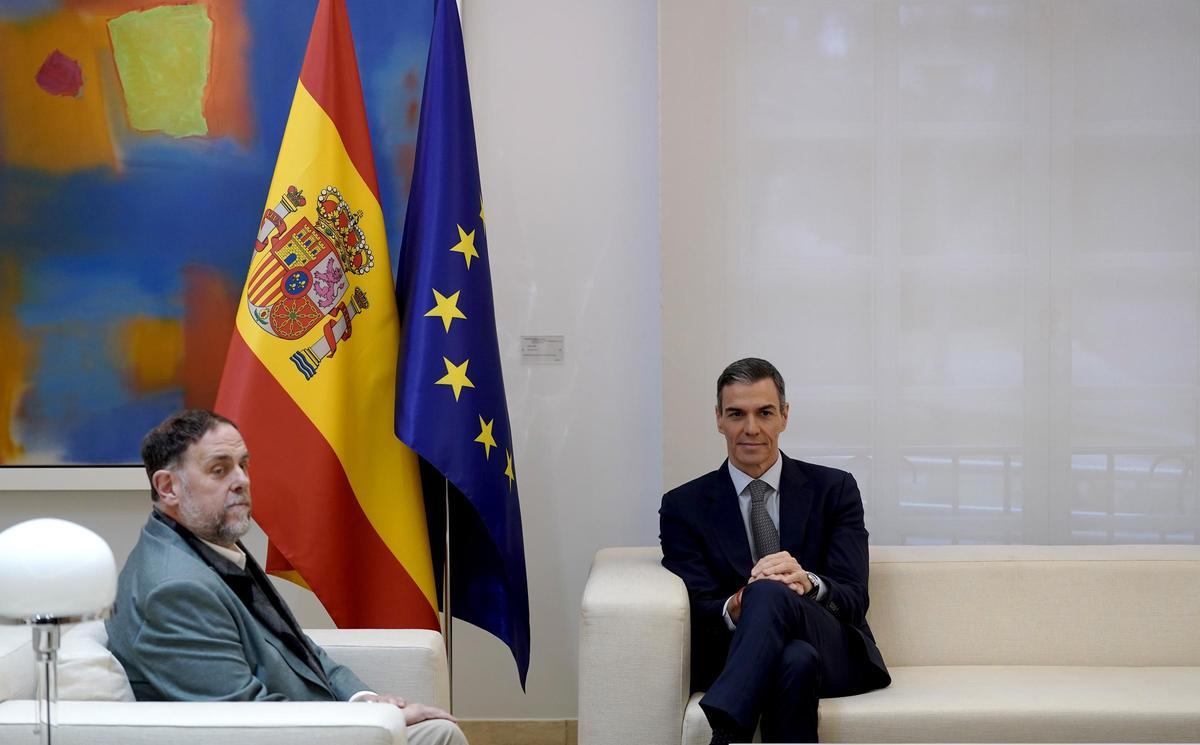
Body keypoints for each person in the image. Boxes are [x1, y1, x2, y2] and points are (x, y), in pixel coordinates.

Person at [106, 409, 466, 745]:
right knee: (440, 736)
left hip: (302, 717)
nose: (242, 481)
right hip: (273, 733)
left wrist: (366, 699)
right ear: (168, 487)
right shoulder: (175, 588)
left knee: (435, 729)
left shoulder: (206, 542)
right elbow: (241, 719)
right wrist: (371, 719)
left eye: (243, 465)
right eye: (219, 470)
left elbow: (299, 647)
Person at [659, 358, 890, 744]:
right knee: (794, 659)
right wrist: (736, 603)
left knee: (770, 591)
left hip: (833, 647)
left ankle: (726, 730)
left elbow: (854, 596)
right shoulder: (684, 506)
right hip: (741, 650)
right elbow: (697, 606)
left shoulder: (835, 490)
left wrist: (809, 583)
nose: (751, 428)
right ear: (718, 419)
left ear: (784, 416)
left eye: (764, 412)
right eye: (737, 414)